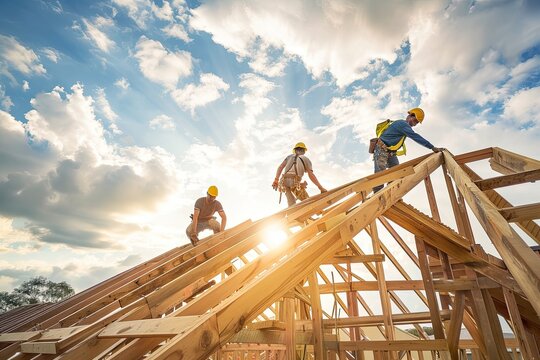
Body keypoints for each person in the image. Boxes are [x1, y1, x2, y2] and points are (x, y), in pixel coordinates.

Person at [373, 107, 442, 192]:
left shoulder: (403, 126)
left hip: (390, 152)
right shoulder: (403, 124)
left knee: (396, 172)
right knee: (380, 174)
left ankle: (391, 193)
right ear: (410, 116)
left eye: (417, 122)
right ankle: (377, 196)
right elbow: (416, 137)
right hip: (381, 149)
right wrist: (432, 147)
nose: (415, 124)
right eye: (415, 121)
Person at [272, 142, 327, 207]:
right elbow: (311, 175)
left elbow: (280, 167)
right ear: (304, 151)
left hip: (284, 182)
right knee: (307, 201)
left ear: (295, 150)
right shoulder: (305, 159)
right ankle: (316, 212)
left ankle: (292, 211)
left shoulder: (289, 157)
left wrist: (276, 180)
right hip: (295, 182)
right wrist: (320, 187)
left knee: (291, 201)